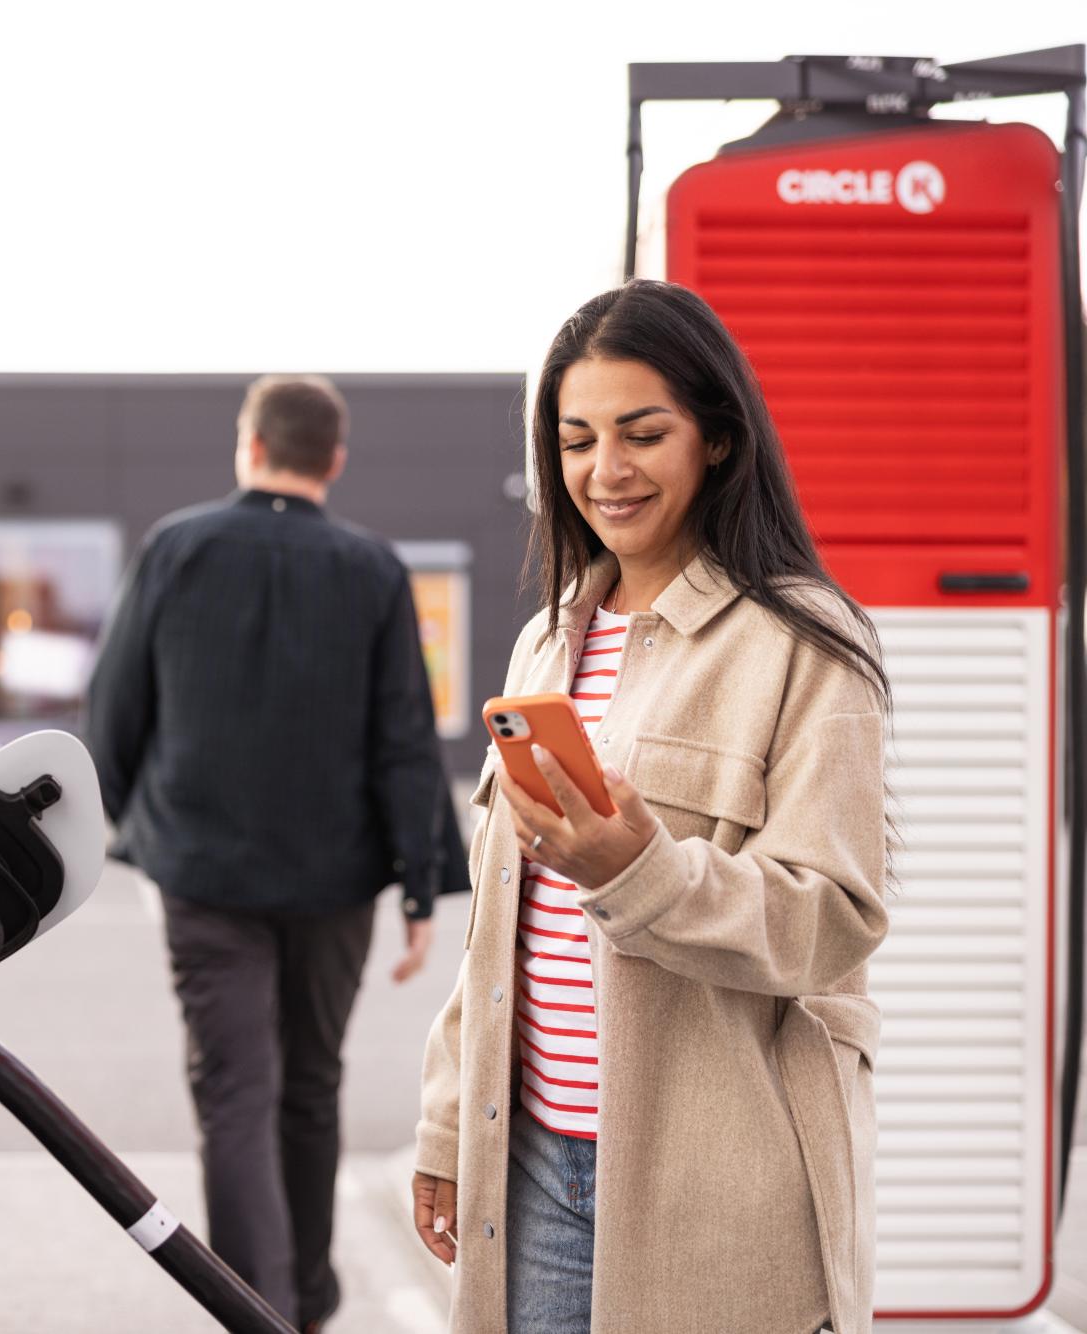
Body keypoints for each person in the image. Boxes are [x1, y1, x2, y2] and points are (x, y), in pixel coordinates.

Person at [410, 280, 890, 1334]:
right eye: (575, 438)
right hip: (530, 1163)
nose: (604, 470)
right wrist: (450, 1122)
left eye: (641, 432)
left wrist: (641, 870)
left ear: (715, 437)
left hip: (718, 1184)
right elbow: (503, 928)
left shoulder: (803, 643)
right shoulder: (547, 638)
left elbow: (830, 920)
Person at [85, 373, 454, 1331]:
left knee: (235, 1090)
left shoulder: (177, 546)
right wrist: (420, 889)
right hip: (337, 880)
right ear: (333, 459)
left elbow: (116, 710)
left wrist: (85, 834)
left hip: (203, 875)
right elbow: (405, 736)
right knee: (312, 1084)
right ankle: (311, 1301)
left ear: (248, 446)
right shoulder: (373, 569)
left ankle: (262, 1309)